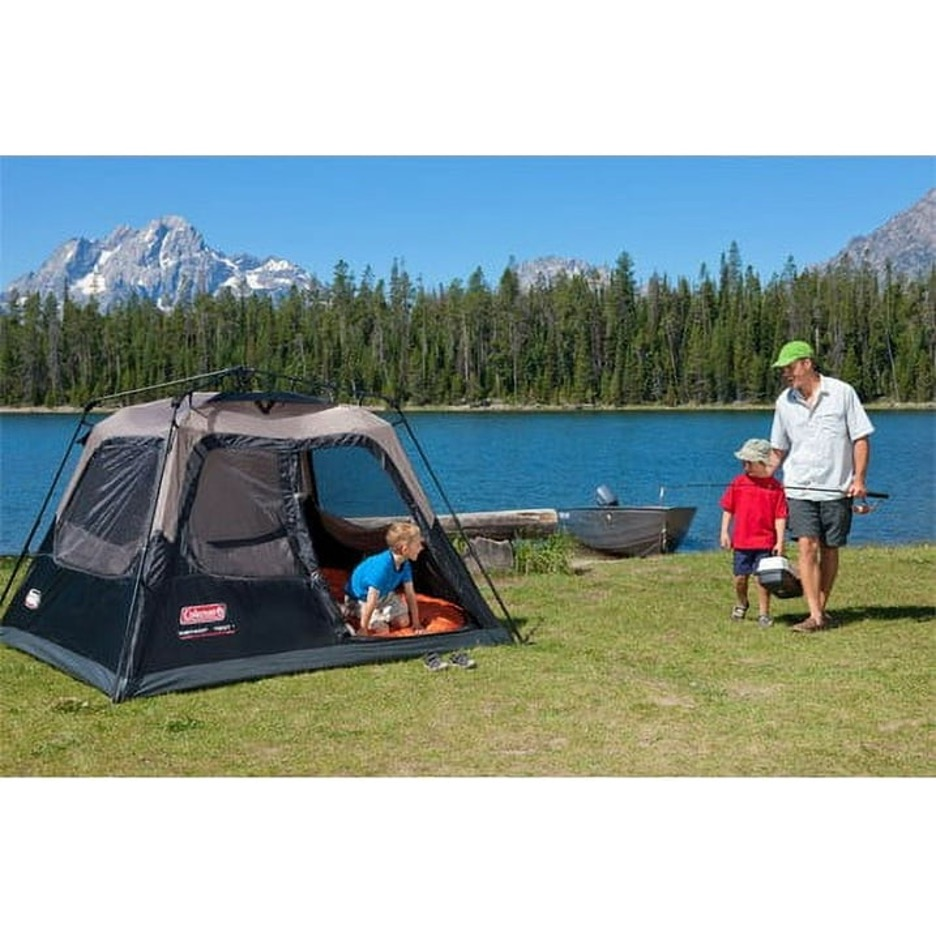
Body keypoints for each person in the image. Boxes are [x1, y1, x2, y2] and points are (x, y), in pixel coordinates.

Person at [768, 340, 875, 633]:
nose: (786, 374)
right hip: (798, 488)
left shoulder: (842, 393)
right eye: (783, 370)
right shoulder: (783, 403)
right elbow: (778, 449)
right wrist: (759, 477)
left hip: (836, 488)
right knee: (806, 545)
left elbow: (861, 438)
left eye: (789, 368)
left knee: (829, 548)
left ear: (807, 363)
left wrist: (859, 479)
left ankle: (821, 610)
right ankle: (814, 615)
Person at [719, 438, 788, 628]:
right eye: (743, 461)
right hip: (741, 541)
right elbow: (728, 509)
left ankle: (764, 614)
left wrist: (780, 541)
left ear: (763, 462)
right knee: (740, 578)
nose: (745, 465)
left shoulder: (775, 487)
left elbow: (780, 516)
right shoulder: (738, 483)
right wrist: (725, 532)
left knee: (762, 579)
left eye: (749, 461)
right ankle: (742, 602)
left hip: (765, 542)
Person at [344, 520, 426, 636]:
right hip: (361, 599)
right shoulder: (381, 568)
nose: (421, 548)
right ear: (404, 549)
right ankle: (351, 611)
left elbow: (410, 593)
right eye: (418, 545)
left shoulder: (404, 563)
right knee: (382, 630)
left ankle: (382, 615)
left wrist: (416, 623)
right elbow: (371, 601)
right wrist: (363, 629)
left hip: (383, 595)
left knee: (404, 622)